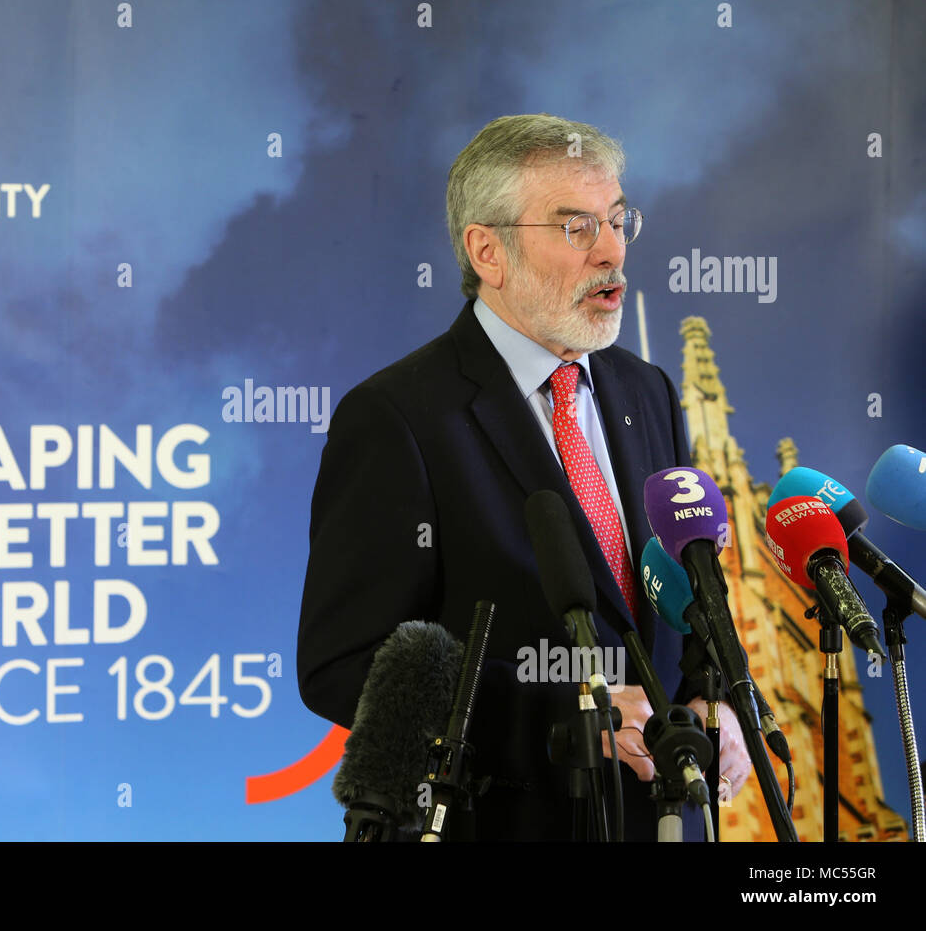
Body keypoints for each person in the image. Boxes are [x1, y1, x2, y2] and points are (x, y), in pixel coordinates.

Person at [296, 114, 748, 840]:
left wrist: (717, 703)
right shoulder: (398, 417)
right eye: (575, 228)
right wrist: (562, 716)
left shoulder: (648, 392)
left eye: (618, 219)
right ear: (488, 250)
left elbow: (679, 598)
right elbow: (343, 665)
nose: (611, 252)